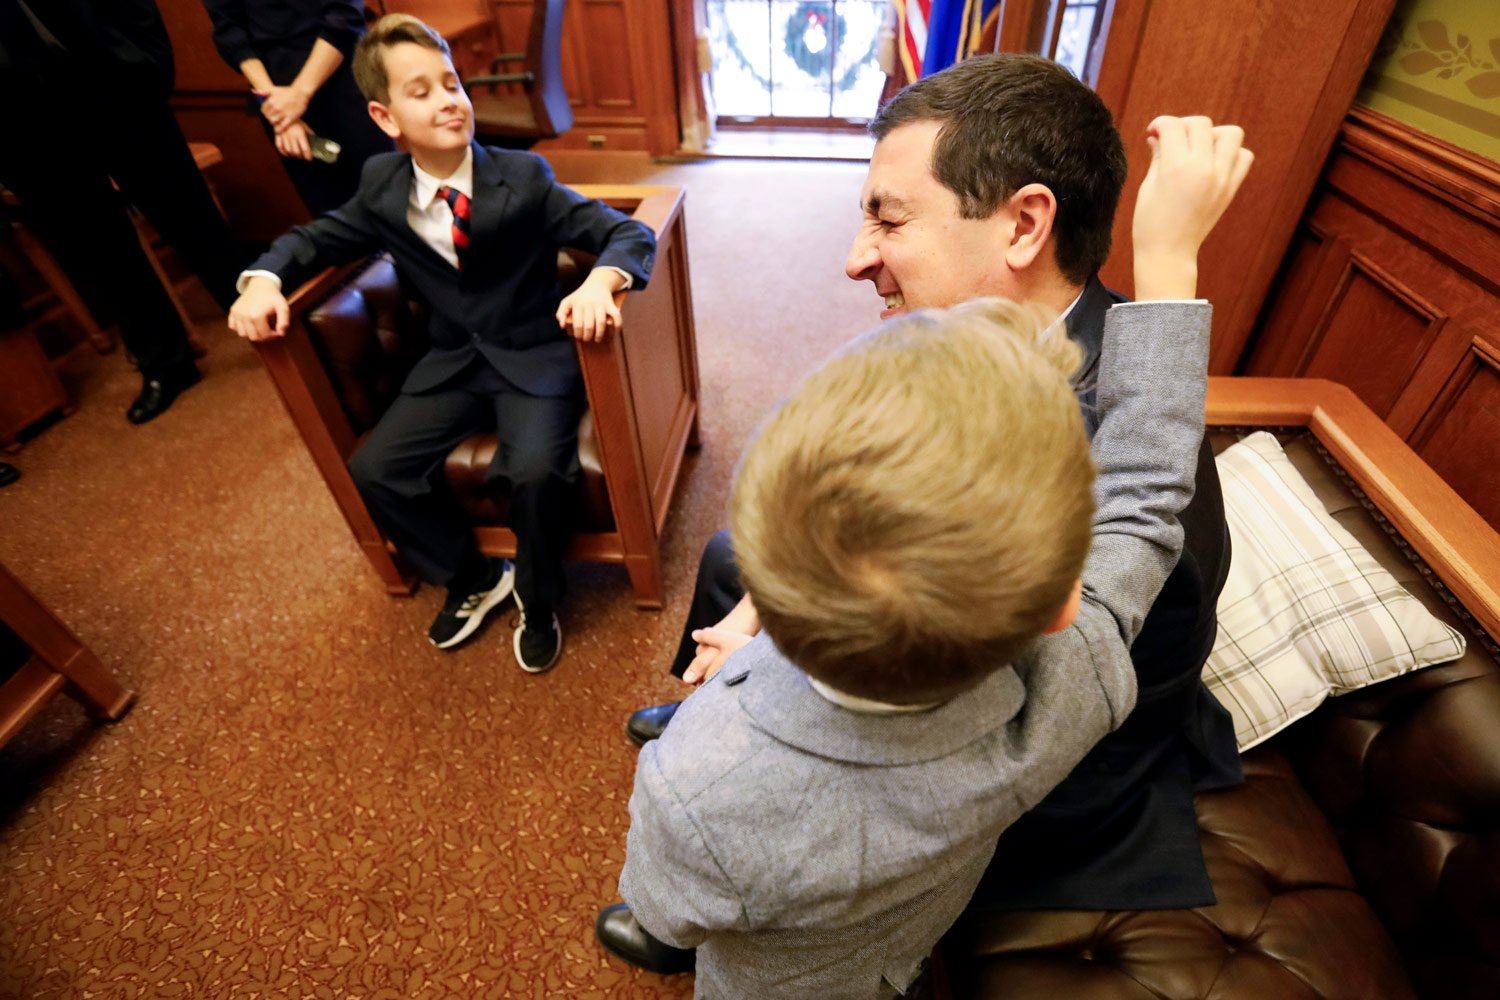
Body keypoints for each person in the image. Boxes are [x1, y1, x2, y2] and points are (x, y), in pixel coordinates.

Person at [596, 117, 1254, 995]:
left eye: (889, 218)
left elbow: (672, 904)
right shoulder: (1079, 674)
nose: (855, 258)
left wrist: (749, 668)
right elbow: (1139, 503)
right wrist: (1170, 264)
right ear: (1062, 604)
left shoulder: (697, 788)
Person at [227, 15, 656, 672]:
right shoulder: (379, 185)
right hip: (452, 359)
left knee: (538, 471)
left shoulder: (525, 175)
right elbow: (311, 241)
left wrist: (600, 280)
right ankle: (476, 578)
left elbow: (627, 235)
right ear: (385, 116)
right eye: (421, 91)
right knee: (375, 472)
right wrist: (261, 280)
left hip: (533, 358)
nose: (449, 100)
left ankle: (540, 597)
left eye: (451, 83)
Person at [0, 0, 249, 424]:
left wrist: (147, 57)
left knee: (188, 213)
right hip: (21, 118)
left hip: (112, 76)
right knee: (98, 250)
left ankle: (260, 308)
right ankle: (165, 364)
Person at [202, 0, 395, 215]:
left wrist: (299, 94)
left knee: (388, 200)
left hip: (345, 79)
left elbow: (344, 16)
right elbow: (230, 33)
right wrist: (278, 110)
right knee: (331, 217)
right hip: (277, 98)